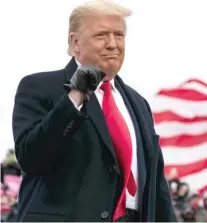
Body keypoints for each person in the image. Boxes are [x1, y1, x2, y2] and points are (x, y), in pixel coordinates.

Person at [11, 0, 176, 221]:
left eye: (119, 35)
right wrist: (75, 95)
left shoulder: (139, 104)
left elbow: (157, 184)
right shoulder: (40, 87)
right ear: (75, 41)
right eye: (101, 35)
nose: (112, 44)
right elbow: (31, 157)